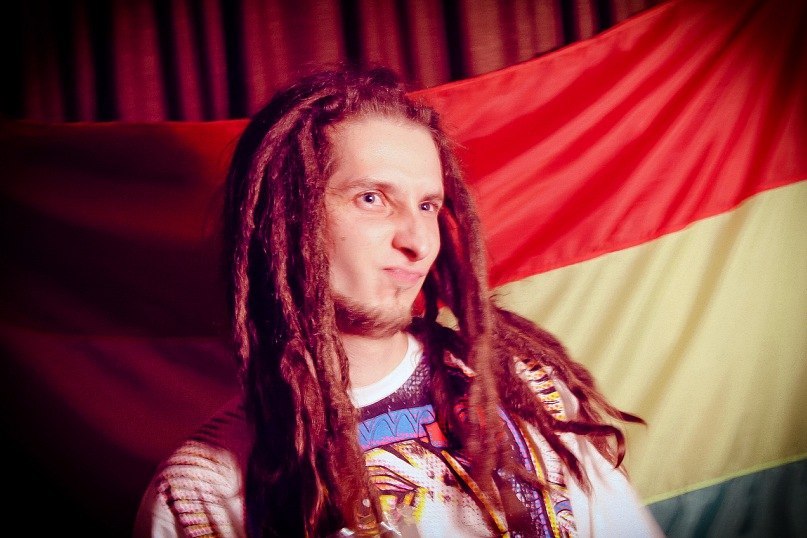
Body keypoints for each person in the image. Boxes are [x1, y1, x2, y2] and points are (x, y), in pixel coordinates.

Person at [134, 66, 664, 538]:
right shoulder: (203, 492)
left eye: (428, 205)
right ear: (285, 218)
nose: (418, 241)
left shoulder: (527, 393)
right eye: (372, 199)